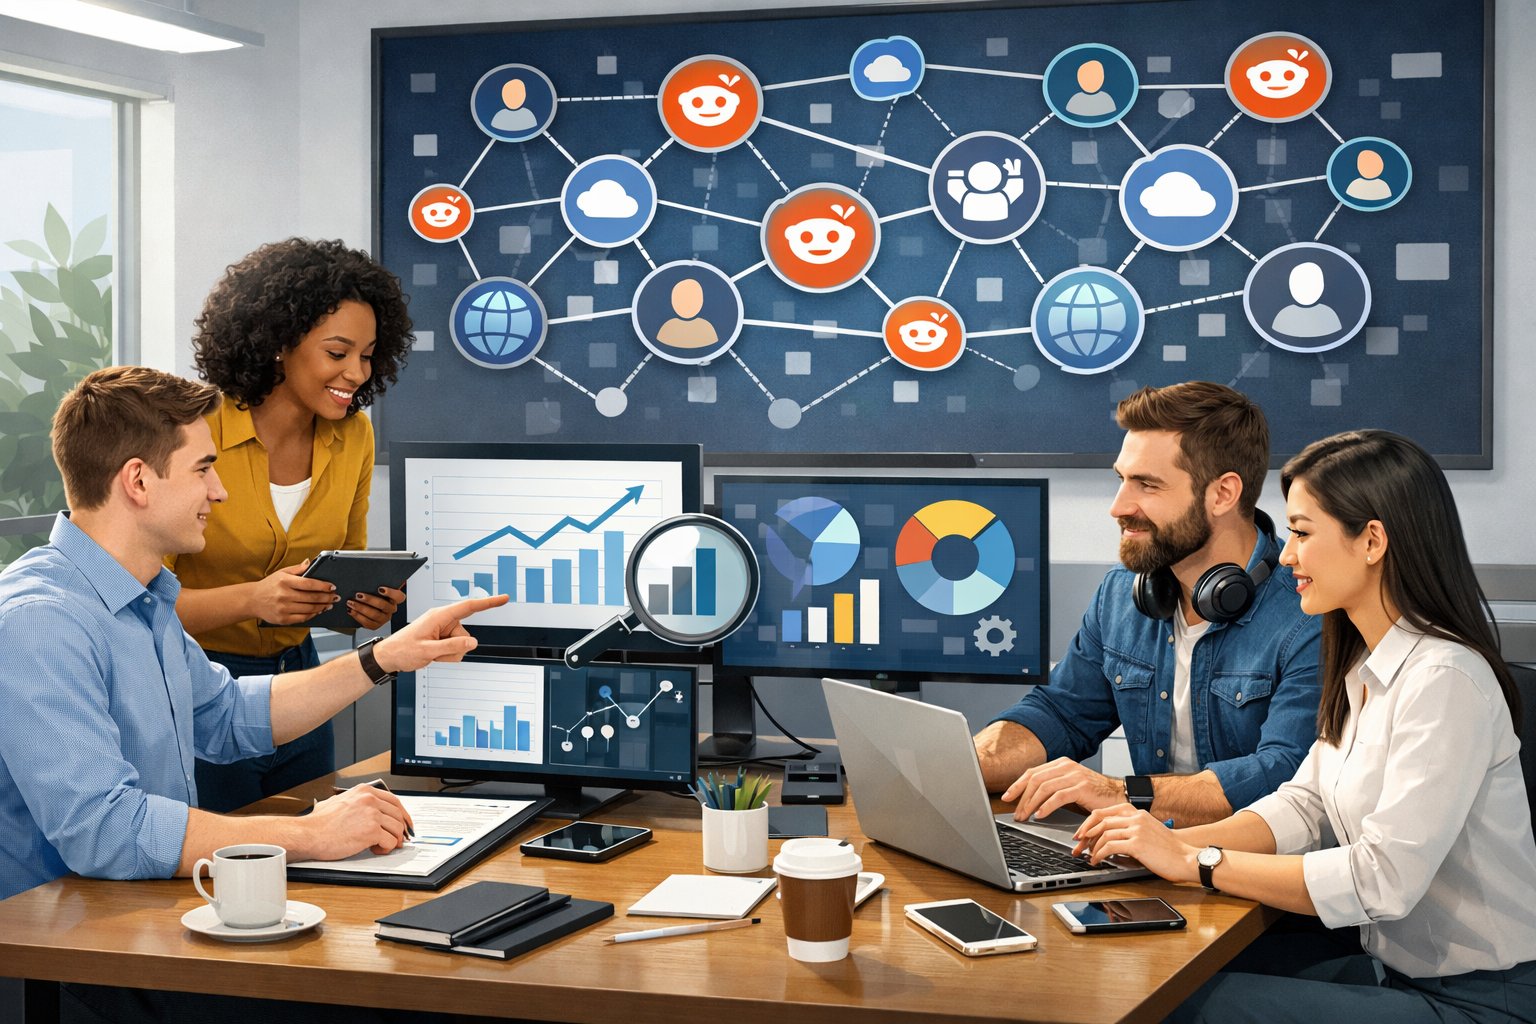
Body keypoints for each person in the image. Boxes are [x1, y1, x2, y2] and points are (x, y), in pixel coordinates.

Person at [1073, 430, 1536, 1022]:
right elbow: (1304, 805)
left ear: (1372, 541)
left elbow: (1381, 880)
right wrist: (1161, 847)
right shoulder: (1365, 664)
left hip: (1478, 1000)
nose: (1287, 556)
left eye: (1302, 532)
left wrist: (1198, 864)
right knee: (1145, 973)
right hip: (1396, 974)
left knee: (1167, 1008)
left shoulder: (1444, 679)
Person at [0, 366, 506, 902]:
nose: (219, 492)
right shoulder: (41, 621)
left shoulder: (143, 599)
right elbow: (106, 832)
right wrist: (311, 833)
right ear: (138, 481)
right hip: (57, 938)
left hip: (134, 913)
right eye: (203, 469)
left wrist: (387, 656)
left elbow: (226, 715)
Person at [973, 381, 1321, 826]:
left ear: (1222, 494)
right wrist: (963, 763)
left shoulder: (1309, 611)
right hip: (1140, 852)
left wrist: (1119, 792)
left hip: (1249, 862)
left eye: (1147, 485)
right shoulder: (1122, 593)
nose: (1118, 506)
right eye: (1121, 480)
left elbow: (1284, 773)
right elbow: (1060, 713)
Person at [169, 237, 414, 813]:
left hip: (302, 682)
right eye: (338, 352)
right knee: (222, 856)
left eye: (368, 355)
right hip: (199, 687)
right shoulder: (191, 430)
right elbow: (140, 607)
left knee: (315, 846)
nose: (356, 373)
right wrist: (254, 599)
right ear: (279, 343)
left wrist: (362, 606)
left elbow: (343, 566)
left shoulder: (354, 435)